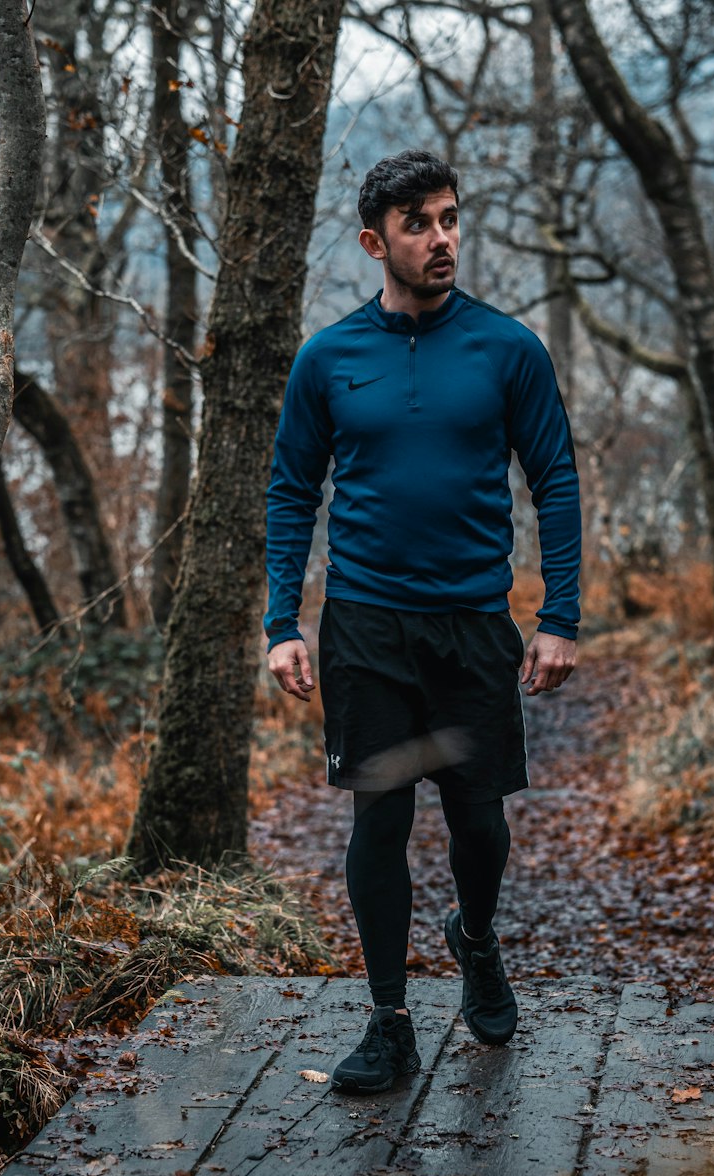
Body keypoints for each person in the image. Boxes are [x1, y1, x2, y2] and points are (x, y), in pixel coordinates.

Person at [265, 150, 581, 1094]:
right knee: (380, 818)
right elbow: (291, 492)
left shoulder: (508, 349)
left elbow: (555, 481)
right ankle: (390, 1020)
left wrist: (558, 614)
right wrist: (284, 621)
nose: (441, 238)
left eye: (449, 218)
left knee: (479, 821)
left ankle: (474, 937)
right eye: (419, 224)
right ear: (375, 241)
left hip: (472, 625)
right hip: (365, 629)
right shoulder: (328, 359)